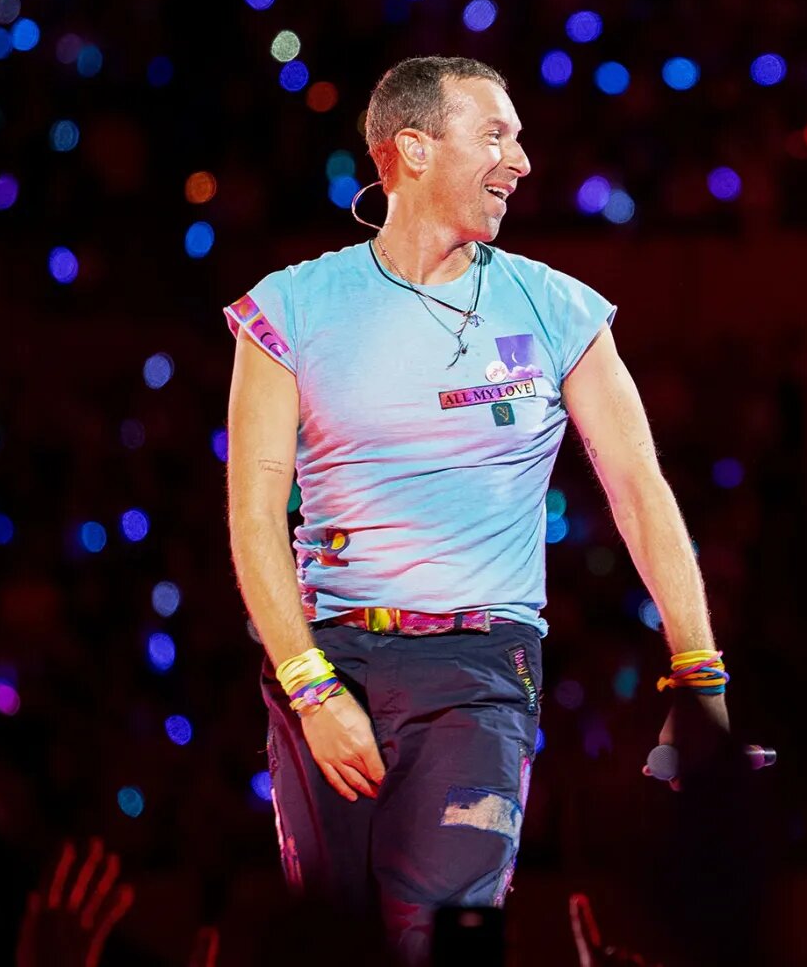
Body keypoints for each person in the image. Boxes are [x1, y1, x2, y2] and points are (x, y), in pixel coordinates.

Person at [223, 56, 729, 963]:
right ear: (411, 150)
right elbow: (255, 514)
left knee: (446, 939)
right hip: (326, 663)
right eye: (495, 134)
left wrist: (699, 673)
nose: (521, 160)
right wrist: (307, 682)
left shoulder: (560, 309)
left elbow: (639, 490)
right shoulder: (289, 308)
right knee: (330, 941)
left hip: (480, 669)